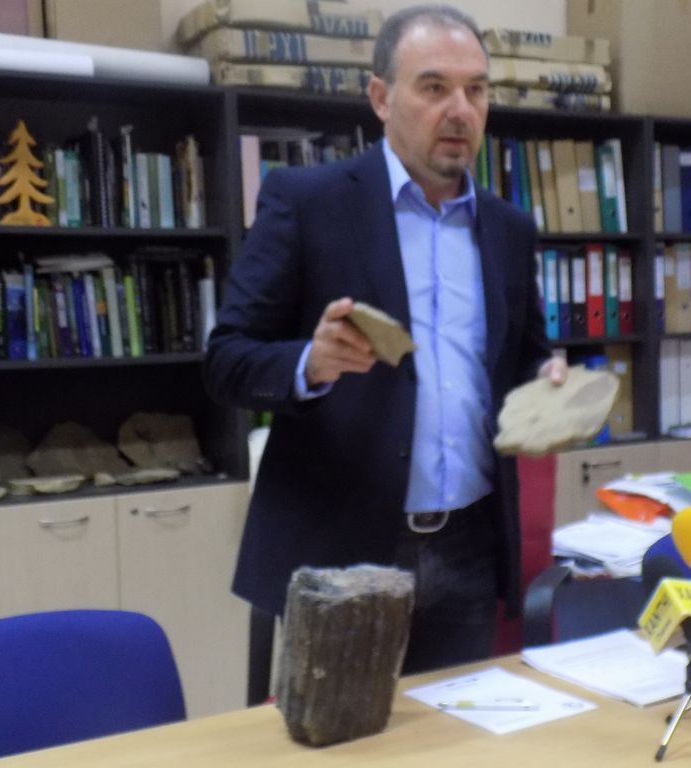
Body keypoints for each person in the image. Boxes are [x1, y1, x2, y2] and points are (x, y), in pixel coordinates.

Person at [204, 4, 566, 675]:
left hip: (467, 549)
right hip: (343, 552)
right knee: (341, 731)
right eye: (434, 87)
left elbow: (523, 355)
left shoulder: (509, 229)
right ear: (380, 97)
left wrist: (546, 380)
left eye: (476, 90)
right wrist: (309, 363)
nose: (460, 110)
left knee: (452, 729)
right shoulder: (307, 202)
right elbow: (226, 360)